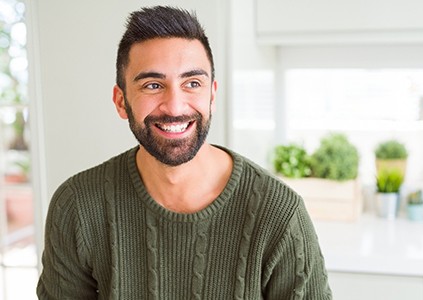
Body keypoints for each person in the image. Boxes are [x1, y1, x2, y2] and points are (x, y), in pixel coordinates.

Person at [36, 5, 332, 299]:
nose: (175, 106)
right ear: (121, 102)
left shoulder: (279, 214)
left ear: (212, 95)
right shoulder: (77, 207)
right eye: (153, 85)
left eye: (192, 83)